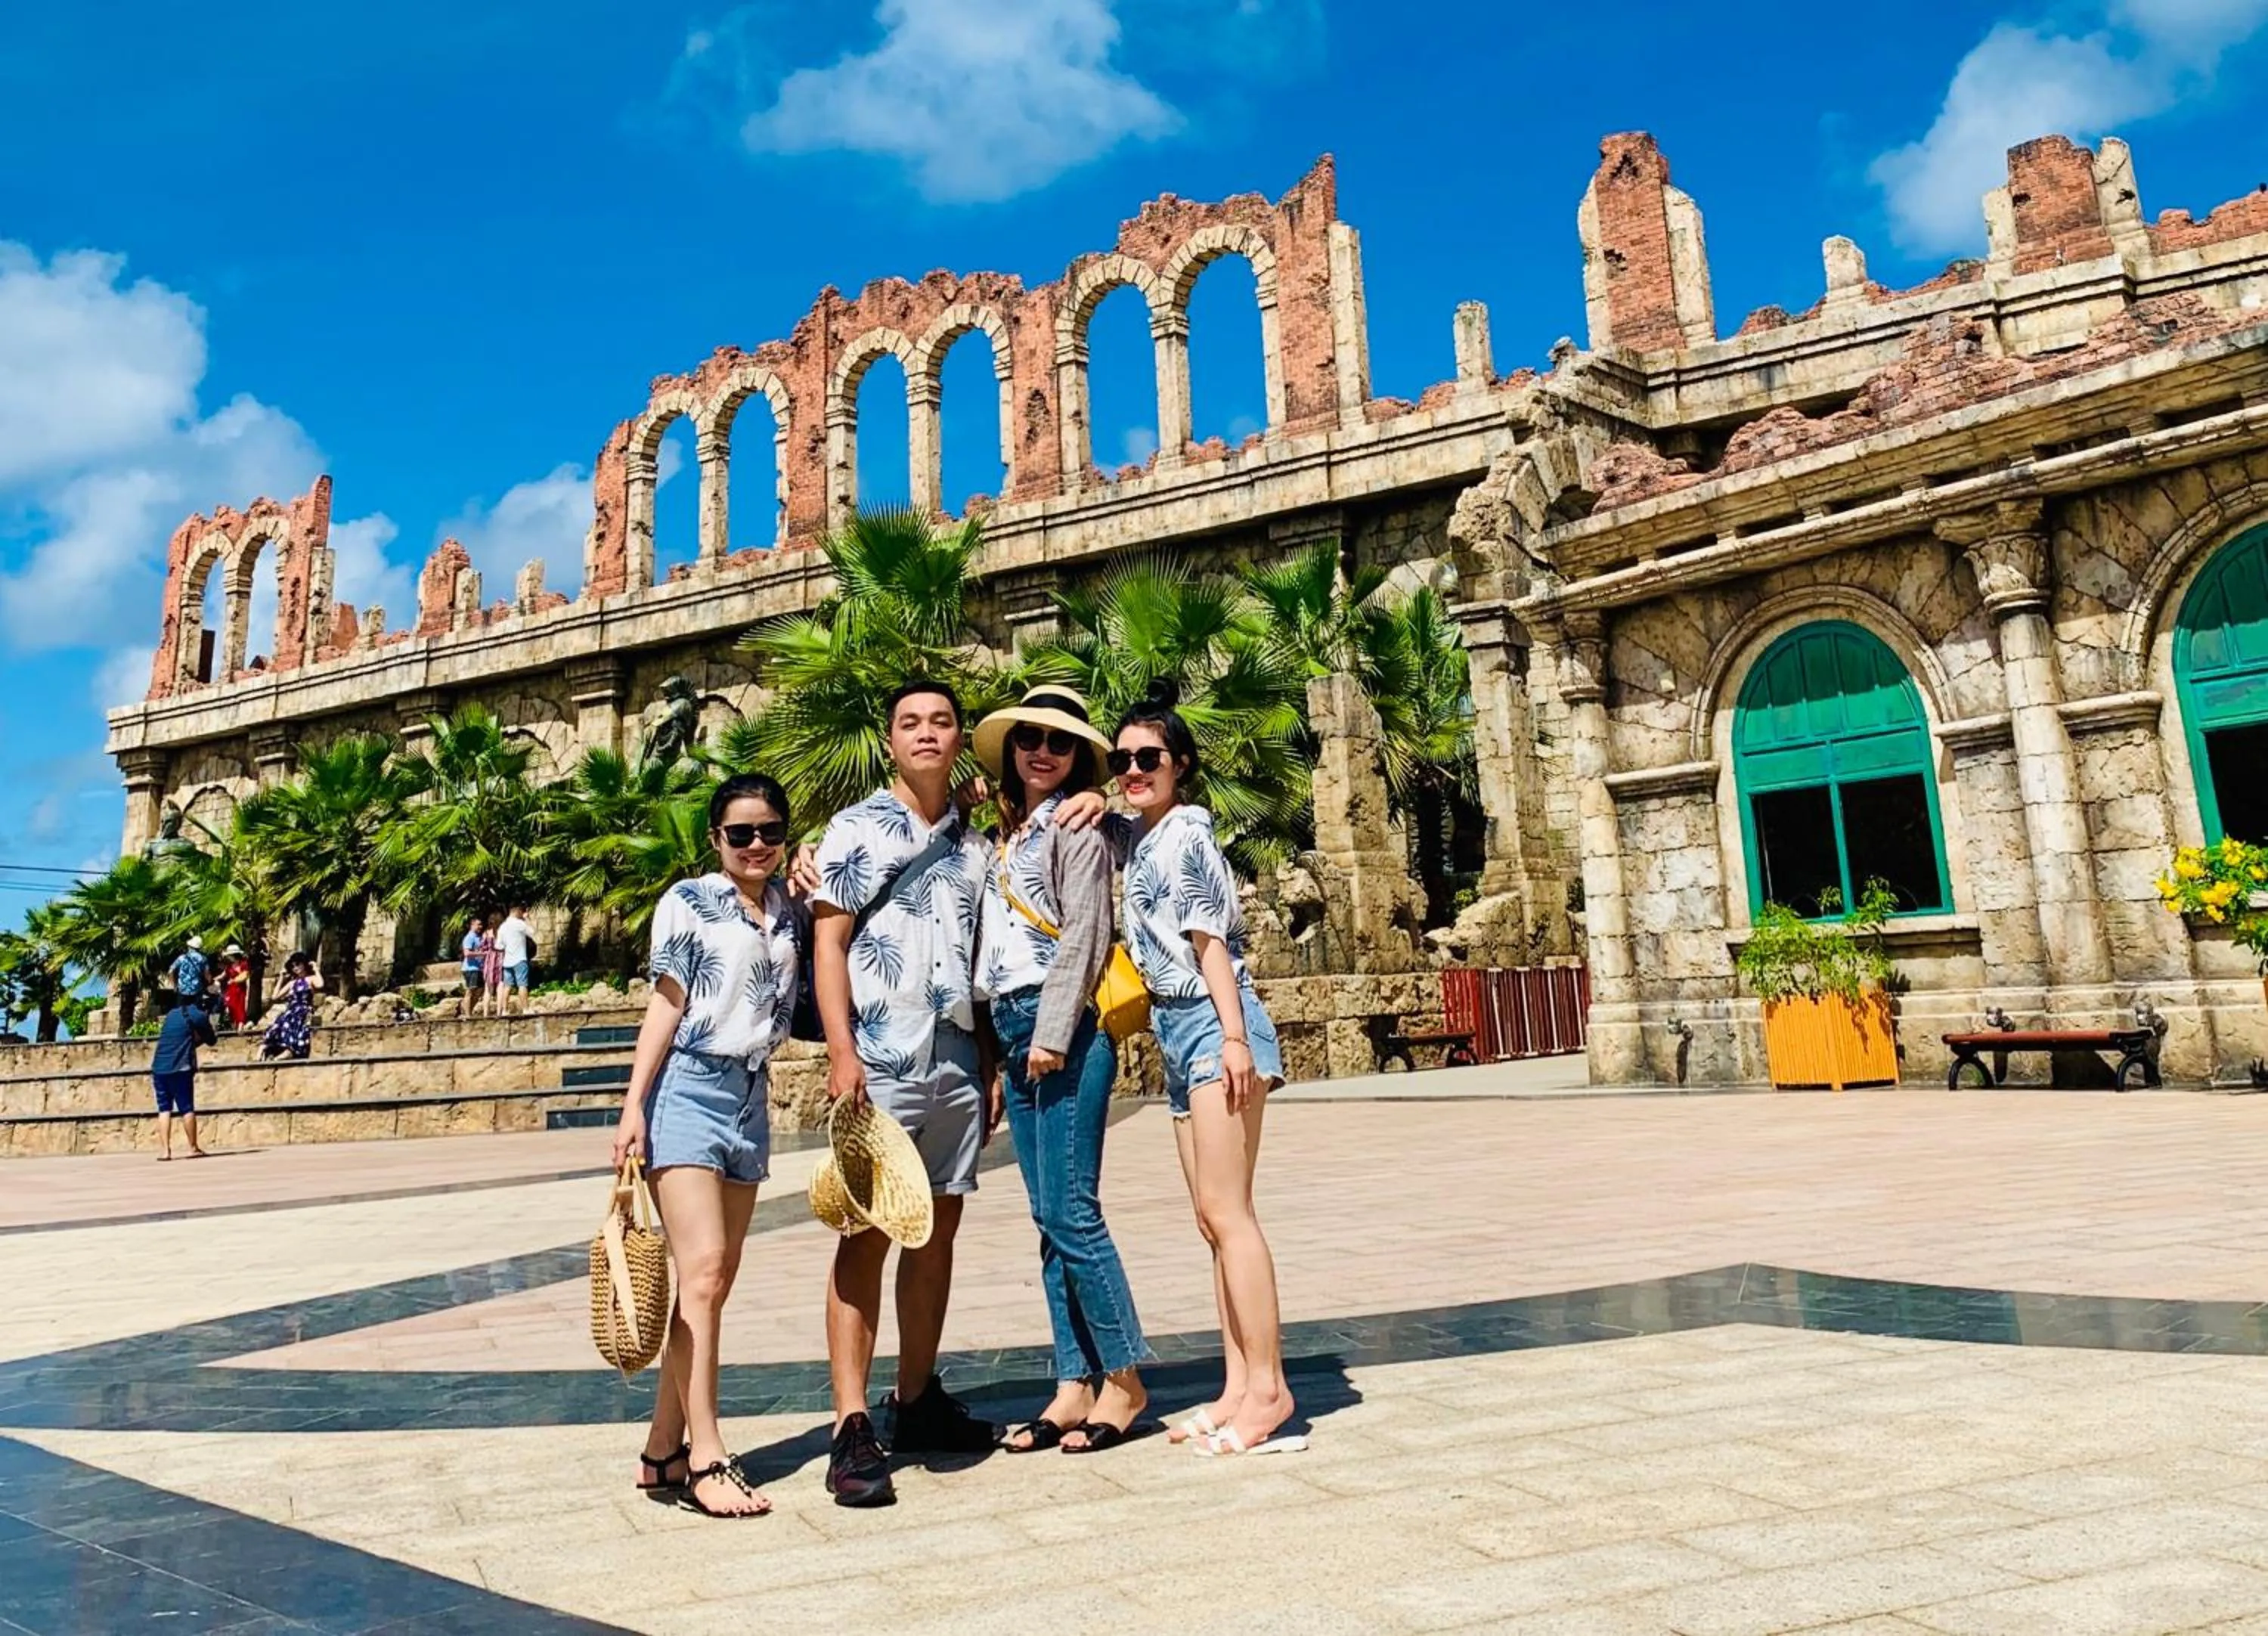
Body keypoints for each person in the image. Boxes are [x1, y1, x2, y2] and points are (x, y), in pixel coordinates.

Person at [807, 679, 1001, 1507]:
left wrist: (987, 1061)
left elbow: (980, 958)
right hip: (880, 1058)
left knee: (937, 1232)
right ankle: (851, 1424)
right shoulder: (853, 829)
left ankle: (916, 1396)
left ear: (959, 738)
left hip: (954, 1056)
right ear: (890, 739)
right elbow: (829, 943)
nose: (926, 733)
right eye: (910, 722)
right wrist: (841, 1051)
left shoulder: (974, 844)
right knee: (865, 1233)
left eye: (942, 721)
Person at [1110, 682, 1300, 1457]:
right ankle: (1236, 1384)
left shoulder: (1185, 835)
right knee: (1209, 1218)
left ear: (1180, 764)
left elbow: (1209, 942)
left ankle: (1271, 1389)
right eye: (1121, 759)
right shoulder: (1142, 836)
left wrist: (1233, 1039)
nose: (1133, 770)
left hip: (1212, 1022)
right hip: (1175, 1027)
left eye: (1148, 757)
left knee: (1231, 1213)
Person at [610, 774, 802, 1520]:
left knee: (711, 1284)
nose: (757, 844)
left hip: (750, 1095)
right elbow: (667, 1001)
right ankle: (707, 1456)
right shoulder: (688, 901)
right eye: (740, 833)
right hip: (687, 1087)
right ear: (716, 839)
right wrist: (634, 1103)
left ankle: (662, 1446)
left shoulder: (788, 906)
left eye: (770, 831)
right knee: (706, 1269)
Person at [971, 686, 1151, 1454]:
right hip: (1012, 1026)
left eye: (1060, 742)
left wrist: (1051, 1031)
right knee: (1048, 1218)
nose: (1041, 751)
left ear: (1079, 757)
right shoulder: (1004, 835)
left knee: (1074, 1212)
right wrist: (996, 1055)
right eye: (1030, 738)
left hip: (1064, 1026)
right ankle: (1074, 1382)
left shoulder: (1081, 827)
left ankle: (1126, 1377)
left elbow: (1085, 929)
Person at [150, 996, 215, 1160]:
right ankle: (193, 1148)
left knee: (164, 1109)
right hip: (180, 1068)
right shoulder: (198, 1015)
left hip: (159, 1067)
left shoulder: (171, 1015)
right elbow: (212, 1040)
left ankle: (165, 1151)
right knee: (186, 1108)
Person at [261, 952, 322, 1061]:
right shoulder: (292, 983)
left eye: (298, 964)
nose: (296, 968)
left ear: (304, 964)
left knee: (296, 1024)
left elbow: (320, 984)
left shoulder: (311, 979)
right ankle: (264, 1049)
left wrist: (316, 969)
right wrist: (281, 978)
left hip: (304, 1010)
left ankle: (289, 1051)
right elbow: (275, 997)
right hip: (291, 1010)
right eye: (293, 966)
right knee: (279, 1023)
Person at [497, 906, 536, 1015]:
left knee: (507, 986)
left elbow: (499, 945)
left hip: (507, 961)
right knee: (522, 985)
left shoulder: (503, 926)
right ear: (518, 911)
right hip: (520, 959)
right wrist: (527, 919)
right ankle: (526, 1009)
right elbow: (532, 932)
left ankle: (504, 1010)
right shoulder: (520, 924)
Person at [169, 934, 210, 1008]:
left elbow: (170, 971)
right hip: (197, 990)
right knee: (196, 1011)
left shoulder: (182, 958)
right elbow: (207, 974)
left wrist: (174, 985)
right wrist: (209, 983)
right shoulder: (203, 959)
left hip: (182, 990)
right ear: (199, 948)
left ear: (189, 947)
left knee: (181, 1012)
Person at [459, 916, 488, 1020]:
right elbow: (467, 953)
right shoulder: (469, 937)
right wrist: (483, 954)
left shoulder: (479, 938)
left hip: (479, 968)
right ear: (472, 925)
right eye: (478, 925)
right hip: (471, 968)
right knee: (470, 991)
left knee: (479, 991)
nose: (480, 927)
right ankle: (467, 1015)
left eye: (481, 925)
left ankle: (469, 1011)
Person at [218, 945, 251, 1030]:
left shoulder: (243, 964)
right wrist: (214, 979)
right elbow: (223, 975)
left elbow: (245, 975)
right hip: (231, 990)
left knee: (240, 1007)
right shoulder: (229, 966)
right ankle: (234, 1025)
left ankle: (240, 1026)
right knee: (230, 1006)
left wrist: (234, 980)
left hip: (240, 989)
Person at [479, 920, 504, 1018]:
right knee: (500, 988)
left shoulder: (486, 934)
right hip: (502, 960)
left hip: (490, 961)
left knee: (488, 989)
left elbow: (482, 948)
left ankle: (486, 1014)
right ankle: (499, 1013)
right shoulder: (503, 932)